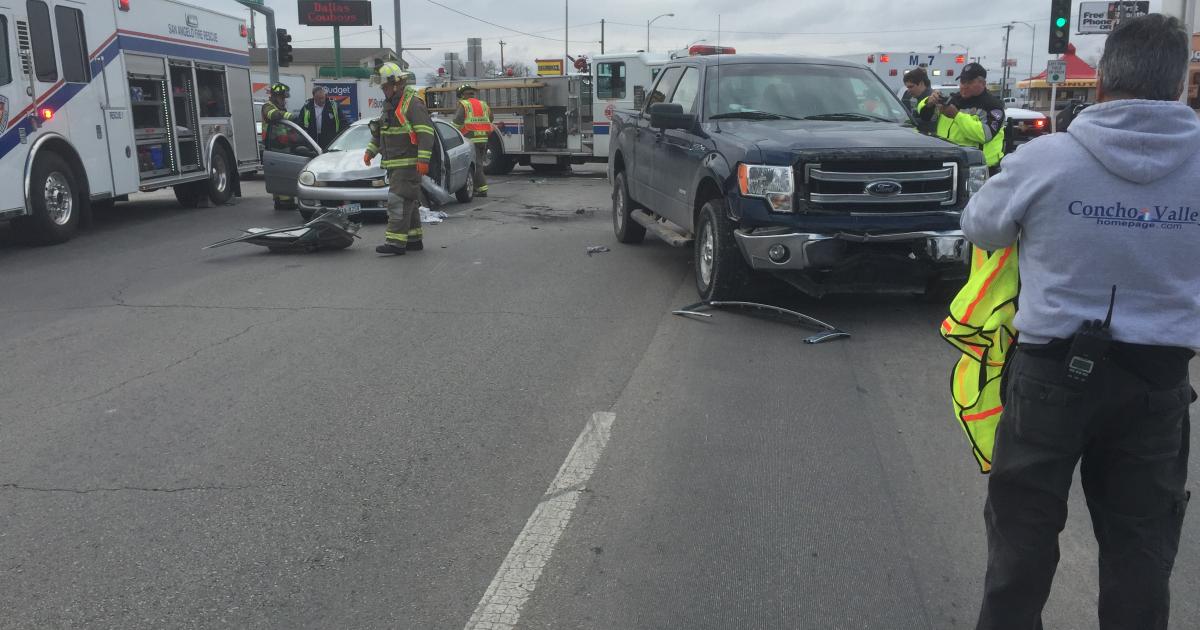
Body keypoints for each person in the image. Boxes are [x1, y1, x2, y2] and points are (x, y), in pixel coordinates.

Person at [961, 14, 1198, 630]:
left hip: (1050, 378)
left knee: (1022, 539)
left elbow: (981, 227)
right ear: (1180, 85)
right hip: (1157, 382)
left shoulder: (1048, 159)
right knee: (1141, 550)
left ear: (1100, 85)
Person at [364, 63, 435, 256]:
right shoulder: (390, 105)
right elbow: (381, 132)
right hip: (395, 163)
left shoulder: (412, 103)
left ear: (396, 85)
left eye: (385, 87)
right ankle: (413, 239)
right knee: (408, 201)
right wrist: (370, 151)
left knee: (397, 200)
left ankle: (395, 242)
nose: (384, 91)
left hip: (408, 164)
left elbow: (426, 133)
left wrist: (423, 159)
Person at [918, 62, 1006, 173]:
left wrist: (956, 116)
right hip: (948, 163)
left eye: (969, 82)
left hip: (980, 168)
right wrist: (929, 103)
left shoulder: (993, 106)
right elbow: (925, 117)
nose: (964, 86)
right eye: (962, 81)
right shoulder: (953, 99)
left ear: (983, 83)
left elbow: (984, 135)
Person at [262, 83, 299, 210]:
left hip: (282, 145)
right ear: (275, 96)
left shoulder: (280, 108)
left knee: (279, 174)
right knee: (283, 173)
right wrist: (287, 115)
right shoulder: (268, 106)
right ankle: (285, 201)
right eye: (282, 98)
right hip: (274, 145)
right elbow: (272, 115)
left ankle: (279, 200)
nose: (284, 100)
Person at [452, 84, 492, 198]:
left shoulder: (464, 104)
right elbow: (491, 118)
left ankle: (482, 189)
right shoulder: (483, 104)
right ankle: (476, 188)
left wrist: (452, 132)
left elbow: (457, 122)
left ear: (463, 95)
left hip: (470, 139)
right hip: (483, 139)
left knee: (475, 165)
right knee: (478, 163)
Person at [902, 67, 937, 135]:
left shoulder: (932, 100)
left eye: (911, 87)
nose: (908, 91)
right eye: (907, 87)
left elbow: (930, 123)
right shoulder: (912, 97)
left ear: (921, 83)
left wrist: (907, 121)